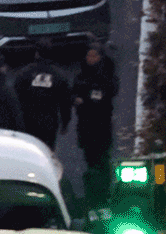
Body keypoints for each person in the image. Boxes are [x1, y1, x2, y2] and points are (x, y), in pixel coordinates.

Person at [73, 42, 119, 202]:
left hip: (101, 125)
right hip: (85, 126)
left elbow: (108, 93)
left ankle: (104, 192)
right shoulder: (81, 76)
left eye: (94, 55)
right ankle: (92, 192)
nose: (91, 59)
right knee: (90, 158)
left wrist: (86, 99)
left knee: (102, 159)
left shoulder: (106, 77)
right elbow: (74, 92)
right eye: (89, 55)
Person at [13, 40, 74, 152]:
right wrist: (65, 123)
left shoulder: (24, 73)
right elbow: (66, 102)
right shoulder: (59, 75)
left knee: (29, 150)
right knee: (47, 151)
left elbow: (15, 98)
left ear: (36, 53)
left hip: (28, 120)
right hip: (49, 121)